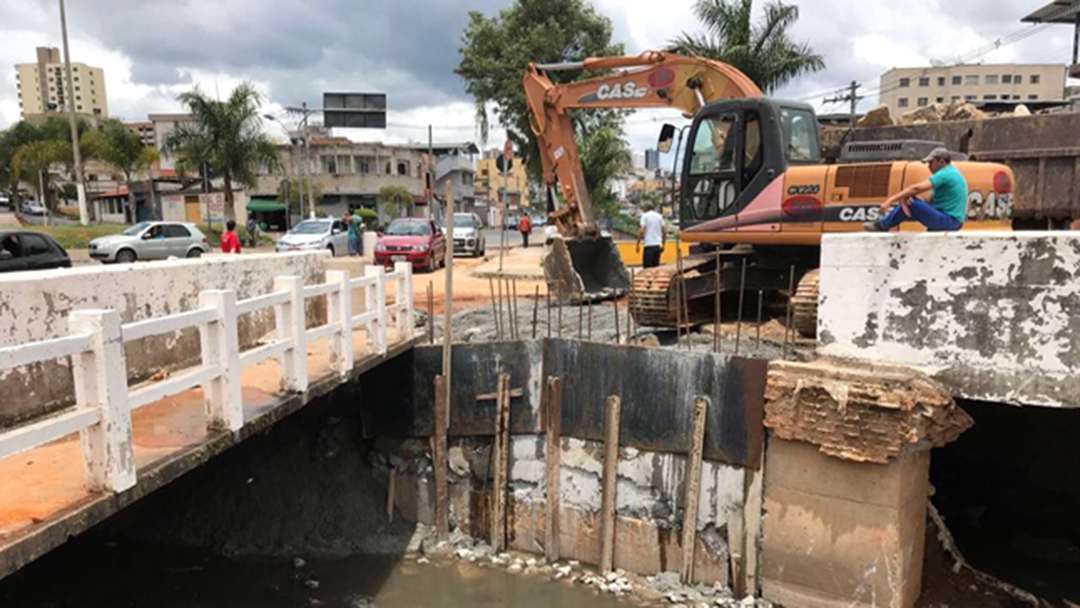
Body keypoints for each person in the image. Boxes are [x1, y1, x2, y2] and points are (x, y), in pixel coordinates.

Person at [865, 147, 968, 232]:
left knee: (911, 202)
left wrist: (890, 200)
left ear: (941, 162)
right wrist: (919, 202)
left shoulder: (945, 173)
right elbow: (930, 200)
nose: (929, 167)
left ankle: (882, 225)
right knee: (908, 205)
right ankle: (884, 224)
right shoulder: (952, 174)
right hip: (950, 220)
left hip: (949, 221)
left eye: (931, 163)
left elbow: (917, 188)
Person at [636, 203, 665, 268]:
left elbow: (642, 230)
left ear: (646, 209)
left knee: (647, 270)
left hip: (648, 246)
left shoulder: (645, 216)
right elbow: (664, 231)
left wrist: (638, 244)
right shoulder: (659, 216)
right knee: (655, 269)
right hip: (657, 246)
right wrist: (663, 244)